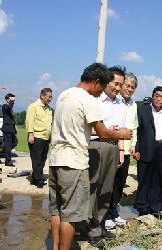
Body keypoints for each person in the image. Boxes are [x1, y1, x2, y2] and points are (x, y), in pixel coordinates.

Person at [48, 63, 132, 250]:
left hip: (55, 159)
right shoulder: (88, 100)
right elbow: (102, 131)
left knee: (56, 209)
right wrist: (122, 135)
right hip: (73, 162)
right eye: (101, 87)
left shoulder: (64, 94)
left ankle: (54, 246)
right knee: (70, 214)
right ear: (96, 82)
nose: (100, 92)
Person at [87, 66, 127, 245]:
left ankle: (100, 223)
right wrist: (104, 131)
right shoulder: (96, 99)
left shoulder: (120, 103)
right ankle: (90, 227)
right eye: (115, 84)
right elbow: (90, 126)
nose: (118, 88)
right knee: (93, 187)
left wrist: (120, 150)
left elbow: (123, 129)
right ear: (106, 82)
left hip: (112, 147)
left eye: (121, 84)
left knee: (107, 189)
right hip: (96, 145)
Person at [133, 86, 162, 219]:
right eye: (156, 96)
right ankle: (142, 206)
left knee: (158, 179)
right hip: (145, 148)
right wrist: (137, 149)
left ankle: (155, 206)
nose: (158, 99)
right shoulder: (142, 111)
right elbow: (137, 131)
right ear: (152, 96)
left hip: (161, 149)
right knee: (144, 179)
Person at [105, 72, 138, 229]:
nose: (129, 89)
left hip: (125, 149)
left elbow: (134, 127)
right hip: (114, 147)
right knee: (108, 183)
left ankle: (113, 211)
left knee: (120, 183)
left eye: (133, 87)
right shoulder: (115, 101)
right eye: (127, 85)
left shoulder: (133, 105)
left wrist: (133, 144)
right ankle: (105, 214)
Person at [25, 88, 53, 188]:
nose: (50, 99)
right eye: (49, 96)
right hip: (36, 137)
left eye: (51, 97)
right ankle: (39, 180)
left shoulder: (49, 109)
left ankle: (34, 177)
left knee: (42, 160)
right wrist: (31, 134)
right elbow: (29, 121)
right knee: (36, 160)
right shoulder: (33, 106)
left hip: (46, 137)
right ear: (42, 96)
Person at [1, 93, 17, 166]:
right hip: (7, 129)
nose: (13, 101)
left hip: (11, 128)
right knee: (8, 145)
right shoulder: (4, 106)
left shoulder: (9, 107)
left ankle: (1, 152)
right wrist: (12, 101)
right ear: (7, 99)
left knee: (14, 142)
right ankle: (8, 161)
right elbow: (9, 107)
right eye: (11, 99)